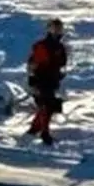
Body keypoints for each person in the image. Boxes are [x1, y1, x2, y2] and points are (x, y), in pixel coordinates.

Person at [25, 17, 70, 145]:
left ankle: (34, 129)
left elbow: (62, 63)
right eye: (55, 29)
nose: (58, 31)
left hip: (53, 79)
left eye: (60, 29)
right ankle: (44, 133)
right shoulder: (42, 45)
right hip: (41, 79)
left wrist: (60, 74)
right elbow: (34, 63)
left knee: (49, 106)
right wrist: (33, 78)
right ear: (49, 30)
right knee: (46, 105)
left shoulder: (60, 47)